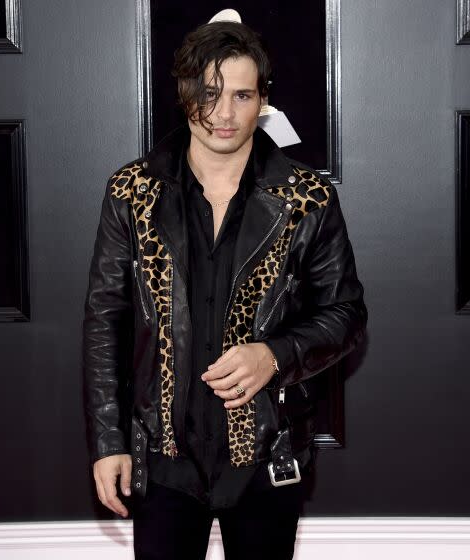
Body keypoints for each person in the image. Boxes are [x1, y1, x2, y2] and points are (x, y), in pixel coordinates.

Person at [83, 17, 366, 560]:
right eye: (209, 94)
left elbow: (347, 313)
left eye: (242, 95)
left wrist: (276, 355)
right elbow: (104, 321)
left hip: (266, 455)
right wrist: (108, 442)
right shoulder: (131, 191)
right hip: (162, 459)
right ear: (184, 92)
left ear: (262, 100)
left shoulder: (306, 197)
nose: (224, 114)